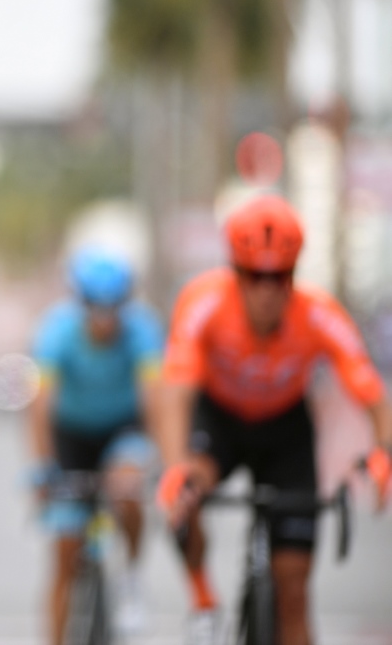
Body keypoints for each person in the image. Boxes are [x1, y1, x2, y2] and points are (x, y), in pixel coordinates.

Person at [155, 194, 392, 645]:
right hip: (220, 421)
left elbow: (373, 396)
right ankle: (203, 598)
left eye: (279, 277)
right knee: (187, 489)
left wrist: (383, 454)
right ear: (234, 272)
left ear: (293, 276)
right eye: (253, 276)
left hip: (286, 431)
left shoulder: (319, 313)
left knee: (293, 590)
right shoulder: (203, 301)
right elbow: (175, 393)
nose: (266, 291)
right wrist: (174, 468)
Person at [28, 248, 163, 644]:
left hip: (123, 428)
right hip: (71, 434)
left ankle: (132, 575)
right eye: (94, 307)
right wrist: (43, 467)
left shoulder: (143, 328)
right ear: (80, 302)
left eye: (114, 307)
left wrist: (157, 460)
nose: (105, 318)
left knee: (127, 488)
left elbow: (155, 400)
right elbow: (40, 407)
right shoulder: (56, 329)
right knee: (64, 555)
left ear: (126, 303)